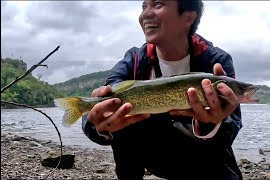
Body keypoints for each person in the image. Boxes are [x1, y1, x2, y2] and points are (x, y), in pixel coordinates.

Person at [82, 0, 243, 179]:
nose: (145, 15)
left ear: (188, 17)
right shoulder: (134, 60)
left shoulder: (216, 62)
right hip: (152, 154)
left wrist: (210, 124)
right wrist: (98, 125)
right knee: (123, 117)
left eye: (157, 4)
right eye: (144, 7)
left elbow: (232, 126)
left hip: (200, 157)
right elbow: (104, 98)